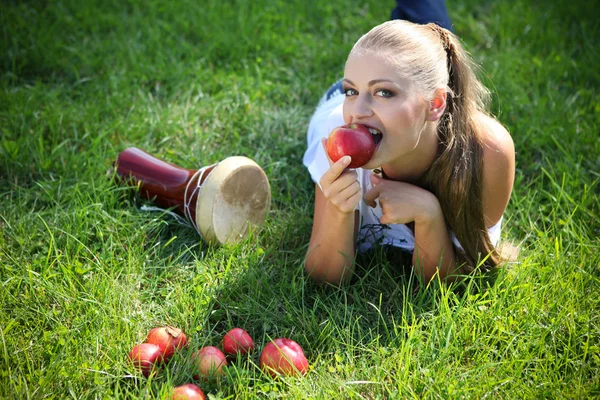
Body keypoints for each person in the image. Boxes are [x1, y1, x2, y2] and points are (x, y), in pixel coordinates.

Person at [302, 20, 515, 285]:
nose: (357, 110)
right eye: (352, 92)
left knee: (428, 33)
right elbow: (323, 279)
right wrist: (339, 210)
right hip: (333, 101)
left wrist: (429, 215)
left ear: (435, 104)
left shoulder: (486, 152)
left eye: (384, 93)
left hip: (415, 85)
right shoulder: (338, 134)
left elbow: (458, 279)